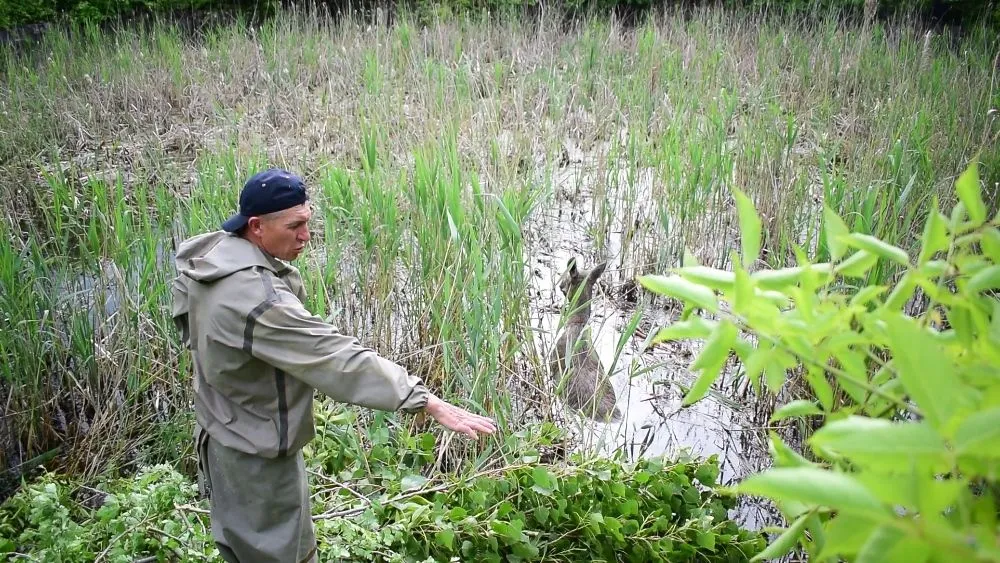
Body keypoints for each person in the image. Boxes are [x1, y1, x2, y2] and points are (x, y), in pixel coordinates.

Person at [170, 168, 497, 563]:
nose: (306, 236)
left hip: (221, 433)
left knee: (241, 551)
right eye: (296, 226)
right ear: (256, 226)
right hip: (257, 459)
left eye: (308, 221)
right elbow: (338, 358)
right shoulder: (256, 299)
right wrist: (424, 401)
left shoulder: (209, 260)